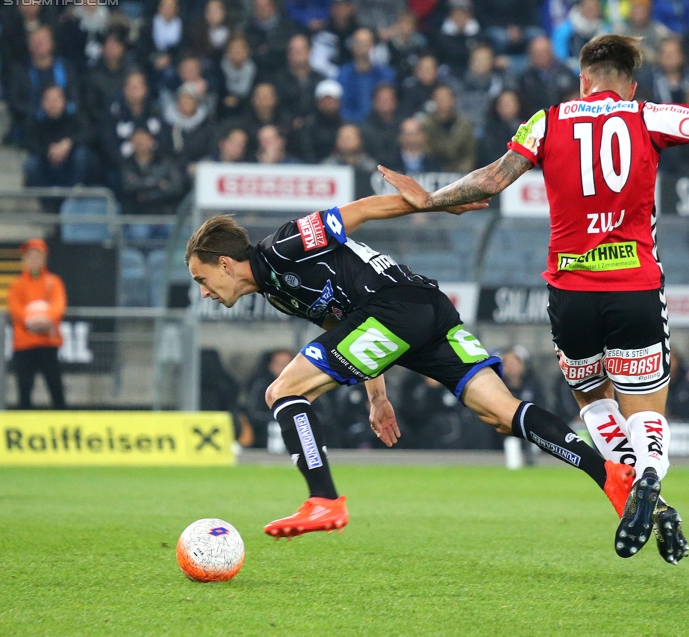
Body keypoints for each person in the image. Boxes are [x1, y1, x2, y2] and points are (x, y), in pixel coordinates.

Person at [380, 15, 689, 564]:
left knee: (592, 399)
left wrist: (428, 199)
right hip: (635, 285)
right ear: (630, 84)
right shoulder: (647, 114)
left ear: (584, 81)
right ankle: (650, 479)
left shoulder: (548, 121)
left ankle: (645, 497)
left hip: (570, 292)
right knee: (646, 410)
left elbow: (492, 179)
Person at [184, 193, 635, 539]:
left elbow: (355, 212)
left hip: (396, 307)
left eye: (202, 279)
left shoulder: (281, 248)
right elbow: (347, 327)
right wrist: (377, 397)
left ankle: (322, 499)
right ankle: (609, 475)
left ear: (225, 263)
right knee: (500, 411)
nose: (204, 292)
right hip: (425, 311)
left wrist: (430, 202)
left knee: (281, 392)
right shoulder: (277, 291)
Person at [6, 239, 67, 410]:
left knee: (55, 383)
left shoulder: (53, 282)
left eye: (38, 256)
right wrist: (30, 321)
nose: (34, 261)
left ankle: (63, 422)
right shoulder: (17, 285)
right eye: (30, 257)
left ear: (44, 259)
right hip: (24, 343)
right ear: (24, 260)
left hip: (48, 342)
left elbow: (58, 304)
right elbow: (15, 307)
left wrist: (47, 320)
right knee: (25, 385)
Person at [419, 84, 475, 173]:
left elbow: (469, 153)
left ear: (453, 100)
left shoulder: (464, 124)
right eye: (439, 99)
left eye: (445, 98)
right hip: (434, 171)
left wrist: (462, 173)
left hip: (460, 174)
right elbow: (426, 151)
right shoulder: (426, 125)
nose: (442, 101)